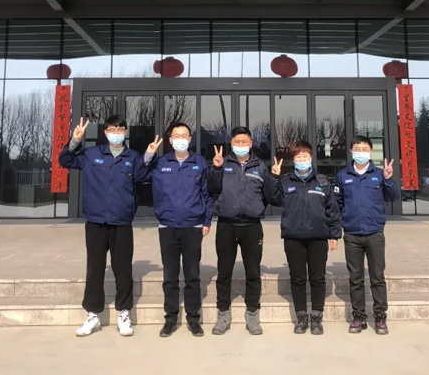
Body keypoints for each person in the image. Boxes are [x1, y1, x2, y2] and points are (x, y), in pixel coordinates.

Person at [59, 115, 158, 338]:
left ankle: (124, 313)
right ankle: (93, 314)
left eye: (120, 129)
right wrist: (75, 141)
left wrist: (149, 155)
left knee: (123, 268)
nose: (116, 133)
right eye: (112, 129)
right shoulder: (91, 154)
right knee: (95, 268)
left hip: (121, 220)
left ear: (125, 133)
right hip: (96, 220)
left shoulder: (132, 157)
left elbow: (143, 176)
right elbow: (65, 161)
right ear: (105, 132)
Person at [144, 122, 213, 338]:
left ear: (190, 139)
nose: (181, 139)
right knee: (170, 275)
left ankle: (193, 319)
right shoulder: (160, 163)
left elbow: (206, 194)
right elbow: (139, 175)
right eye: (177, 136)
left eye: (185, 135)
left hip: (192, 226)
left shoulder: (199, 162)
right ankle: (170, 318)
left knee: (192, 274)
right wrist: (148, 155)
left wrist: (207, 221)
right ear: (171, 140)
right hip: (168, 226)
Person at [268, 140, 341, 335]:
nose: (302, 160)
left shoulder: (322, 182)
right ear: (293, 159)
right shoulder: (286, 181)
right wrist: (274, 177)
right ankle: (301, 317)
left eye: (305, 156)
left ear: (311, 158)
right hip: (293, 237)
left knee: (317, 278)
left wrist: (334, 234)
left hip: (318, 237)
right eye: (298, 157)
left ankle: (316, 317)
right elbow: (273, 199)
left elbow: (332, 209)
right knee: (298, 278)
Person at [208, 126, 275, 336]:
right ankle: (223, 314)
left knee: (253, 272)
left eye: (244, 142)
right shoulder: (223, 163)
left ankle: (252, 313)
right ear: (231, 143)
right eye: (237, 142)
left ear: (251, 143)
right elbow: (211, 188)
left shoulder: (260, 166)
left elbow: (269, 196)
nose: (240, 145)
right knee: (224, 272)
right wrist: (216, 168)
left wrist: (256, 206)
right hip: (226, 225)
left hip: (252, 227)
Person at [335, 136, 399, 335]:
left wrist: (388, 179)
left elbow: (394, 197)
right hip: (352, 234)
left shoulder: (379, 174)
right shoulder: (342, 175)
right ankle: (359, 317)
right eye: (357, 148)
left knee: (377, 277)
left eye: (364, 149)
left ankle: (380, 317)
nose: (360, 152)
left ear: (371, 152)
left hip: (374, 233)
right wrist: (340, 226)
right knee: (355, 278)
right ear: (351, 152)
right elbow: (337, 203)